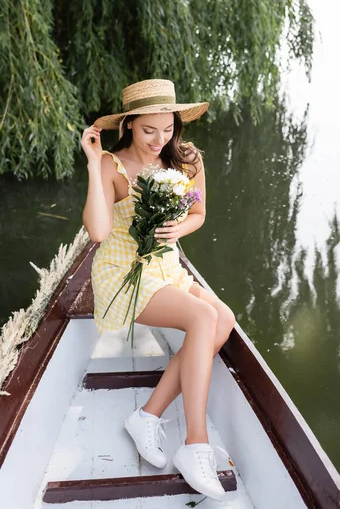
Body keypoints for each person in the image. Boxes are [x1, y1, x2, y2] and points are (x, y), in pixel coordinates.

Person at [80, 78, 236, 501]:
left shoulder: (185, 158)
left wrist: (176, 228)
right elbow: (97, 230)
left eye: (167, 129)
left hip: (165, 266)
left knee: (224, 320)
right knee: (204, 316)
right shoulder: (113, 165)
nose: (159, 140)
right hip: (121, 269)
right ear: (129, 124)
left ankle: (147, 416)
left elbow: (199, 212)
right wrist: (94, 164)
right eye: (149, 130)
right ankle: (196, 445)